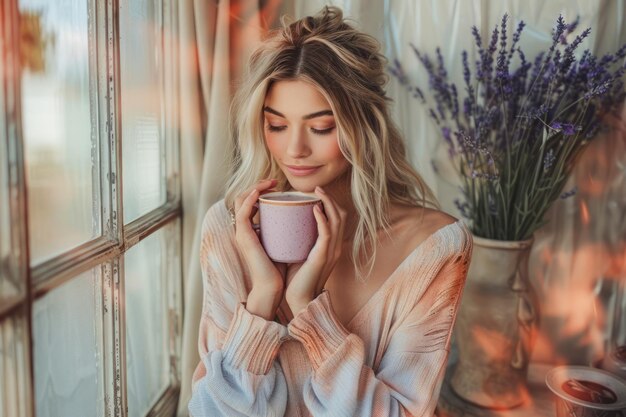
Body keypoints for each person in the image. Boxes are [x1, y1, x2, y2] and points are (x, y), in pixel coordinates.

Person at [188, 6, 472, 417]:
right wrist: (264, 299)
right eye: (276, 125)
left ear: (364, 125)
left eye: (321, 127)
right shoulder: (228, 229)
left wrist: (308, 307)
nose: (294, 150)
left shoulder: (434, 247)